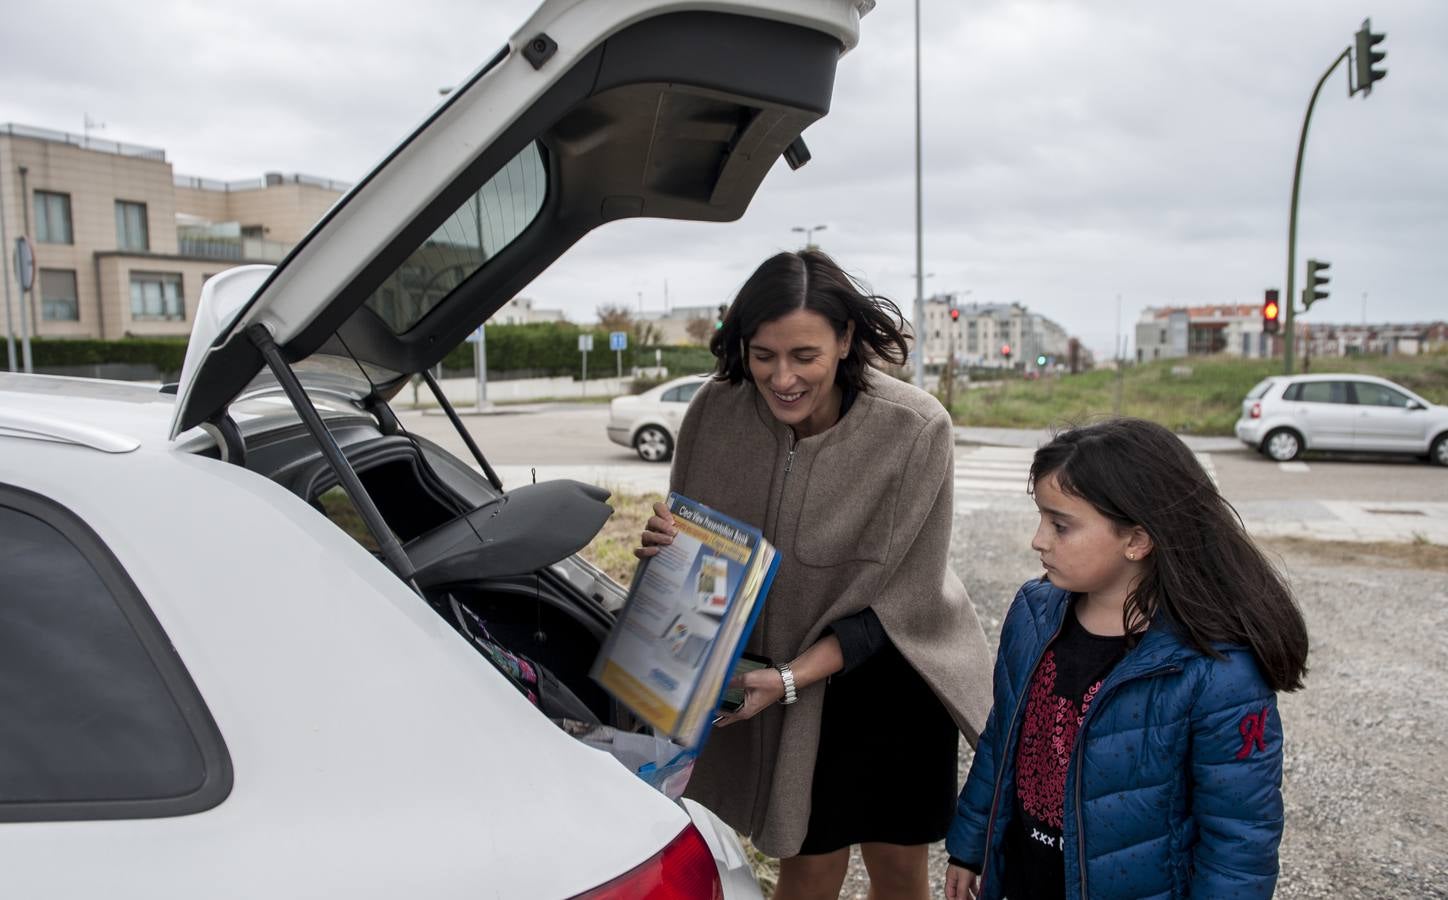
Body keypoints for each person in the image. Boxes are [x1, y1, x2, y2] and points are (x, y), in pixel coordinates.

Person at [637, 250, 992, 900]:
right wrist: (666, 550)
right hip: (782, 683)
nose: (782, 377)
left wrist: (788, 680)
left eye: (805, 355)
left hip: (890, 676)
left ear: (846, 339)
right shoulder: (715, 413)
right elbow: (701, 555)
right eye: (763, 354)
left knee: (899, 869)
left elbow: (902, 602)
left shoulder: (914, 429)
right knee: (806, 868)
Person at [944, 418, 1310, 900]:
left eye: (1061, 524)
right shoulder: (1034, 614)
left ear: (1137, 540)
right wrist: (969, 847)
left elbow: (1239, 836)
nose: (1039, 539)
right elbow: (1001, 740)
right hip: (1022, 880)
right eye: (1041, 518)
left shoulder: (1214, 666)